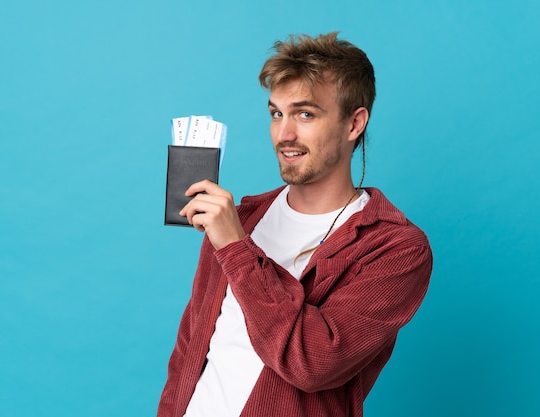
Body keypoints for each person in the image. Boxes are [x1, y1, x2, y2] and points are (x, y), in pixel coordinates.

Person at [157, 32, 433, 417]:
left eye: (305, 114)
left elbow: (312, 362)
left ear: (354, 123)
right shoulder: (242, 218)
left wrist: (236, 248)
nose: (284, 134)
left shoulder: (395, 248)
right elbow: (189, 350)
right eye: (276, 113)